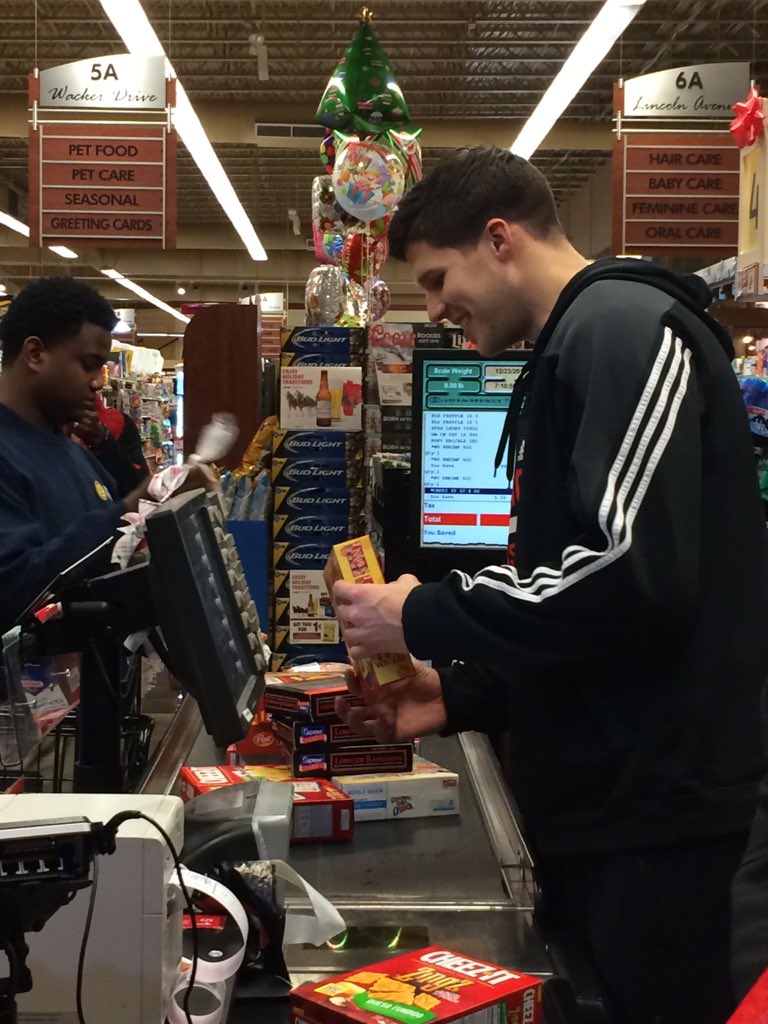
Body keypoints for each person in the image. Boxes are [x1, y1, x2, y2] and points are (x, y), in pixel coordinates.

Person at [332, 147, 768, 1024]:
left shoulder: (621, 327)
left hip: (667, 819)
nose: (435, 308)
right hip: (614, 808)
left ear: (500, 239)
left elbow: (633, 573)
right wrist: (455, 694)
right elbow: (566, 589)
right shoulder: (573, 344)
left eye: (437, 277)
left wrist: (420, 612)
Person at [0, 276, 204, 633]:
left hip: (92, 683)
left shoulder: (78, 457)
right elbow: (14, 587)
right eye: (88, 364)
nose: (98, 382)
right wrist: (131, 507)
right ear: (35, 354)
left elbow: (109, 573)